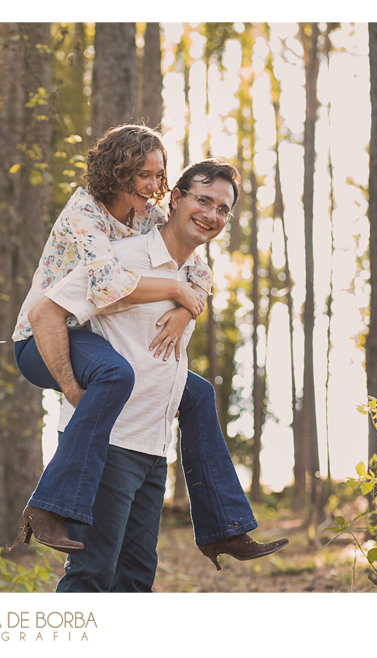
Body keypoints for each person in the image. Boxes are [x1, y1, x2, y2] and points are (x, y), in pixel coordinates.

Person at [11, 125, 287, 570]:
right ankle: (49, 505)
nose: (153, 186)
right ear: (116, 171)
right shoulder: (86, 215)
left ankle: (224, 526)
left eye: (159, 176)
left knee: (196, 394)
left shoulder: (146, 217)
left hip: (89, 340)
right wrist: (70, 387)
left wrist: (185, 308)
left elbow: (194, 262)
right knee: (117, 374)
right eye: (143, 174)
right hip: (43, 336)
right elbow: (104, 286)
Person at [38, 158, 240, 590]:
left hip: (153, 448)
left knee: (135, 580)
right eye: (203, 200)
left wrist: (187, 309)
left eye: (223, 209)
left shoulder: (196, 274)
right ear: (176, 198)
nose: (212, 215)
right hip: (108, 445)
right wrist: (72, 389)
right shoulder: (121, 259)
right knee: (93, 574)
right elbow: (45, 313)